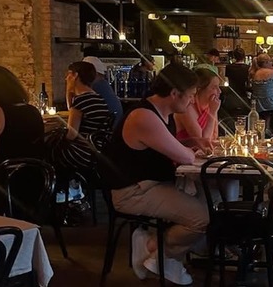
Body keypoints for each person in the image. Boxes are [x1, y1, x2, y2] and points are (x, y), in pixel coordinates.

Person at [100, 64, 211, 285]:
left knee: (208, 203)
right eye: (189, 96)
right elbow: (187, 159)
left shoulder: (162, 111)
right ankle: (153, 247)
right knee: (202, 218)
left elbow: (159, 145)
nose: (191, 101)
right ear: (174, 93)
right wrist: (188, 149)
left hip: (150, 184)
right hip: (132, 191)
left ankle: (161, 259)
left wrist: (190, 142)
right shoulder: (144, 116)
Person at [52, 61, 112, 172]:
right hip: (97, 151)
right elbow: (72, 109)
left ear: (75, 76)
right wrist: (69, 92)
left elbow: (72, 134)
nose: (66, 79)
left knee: (49, 148)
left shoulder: (81, 100)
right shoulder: (98, 98)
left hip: (82, 153)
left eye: (69, 74)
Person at [174, 68, 221, 142]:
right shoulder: (186, 107)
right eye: (214, 87)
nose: (219, 91)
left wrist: (213, 111)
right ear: (199, 89)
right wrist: (212, 112)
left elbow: (215, 136)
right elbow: (203, 141)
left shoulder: (211, 105)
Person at [82, 56, 123, 128]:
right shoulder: (104, 84)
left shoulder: (95, 86)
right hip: (113, 130)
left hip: (104, 132)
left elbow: (74, 109)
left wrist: (69, 89)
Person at [251, 53, 273, 132]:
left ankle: (261, 129)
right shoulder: (272, 72)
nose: (271, 63)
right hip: (269, 102)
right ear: (265, 63)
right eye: (270, 61)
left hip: (257, 102)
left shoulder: (254, 72)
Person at [223, 48, 250, 116]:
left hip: (231, 96)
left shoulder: (228, 67)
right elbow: (249, 82)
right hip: (243, 95)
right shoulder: (248, 67)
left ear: (234, 56)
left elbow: (226, 81)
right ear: (244, 56)